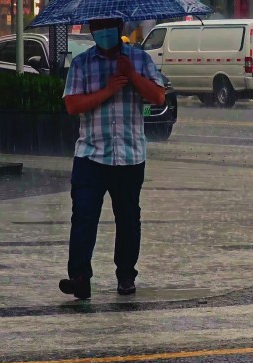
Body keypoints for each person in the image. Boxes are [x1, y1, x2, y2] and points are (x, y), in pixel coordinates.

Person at [58, 17, 165, 300]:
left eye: (107, 27)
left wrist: (132, 75)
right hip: (91, 154)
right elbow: (72, 104)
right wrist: (107, 90)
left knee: (129, 218)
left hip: (130, 155)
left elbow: (158, 97)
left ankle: (126, 275)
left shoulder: (139, 59)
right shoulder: (82, 63)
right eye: (96, 28)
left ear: (120, 29)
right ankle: (79, 277)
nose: (102, 33)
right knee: (83, 217)